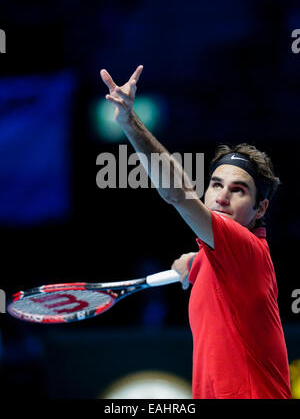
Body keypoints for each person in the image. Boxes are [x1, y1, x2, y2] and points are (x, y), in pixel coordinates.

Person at [100, 65, 292, 399]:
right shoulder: (215, 256)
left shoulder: (245, 247)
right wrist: (196, 261)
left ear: (260, 210)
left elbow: (177, 193)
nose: (221, 196)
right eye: (216, 184)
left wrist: (130, 122)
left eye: (239, 190)